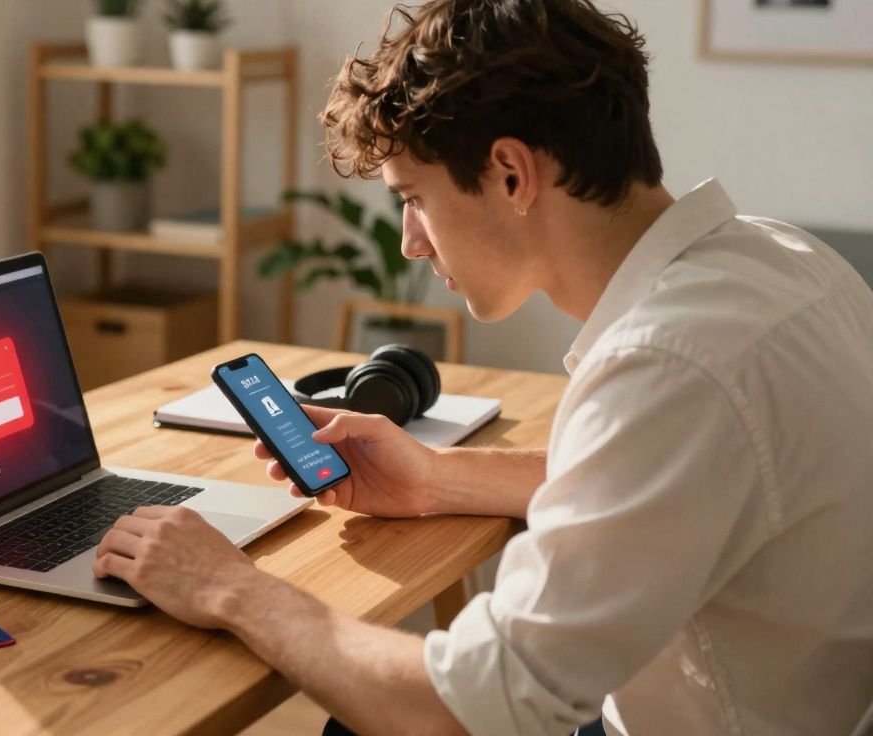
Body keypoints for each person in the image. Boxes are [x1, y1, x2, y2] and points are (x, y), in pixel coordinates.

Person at [91, 1, 873, 733]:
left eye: (414, 197)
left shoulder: (668, 365)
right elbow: (668, 480)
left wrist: (232, 588)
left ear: (511, 173)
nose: (410, 243)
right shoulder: (779, 256)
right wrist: (438, 479)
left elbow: (470, 711)